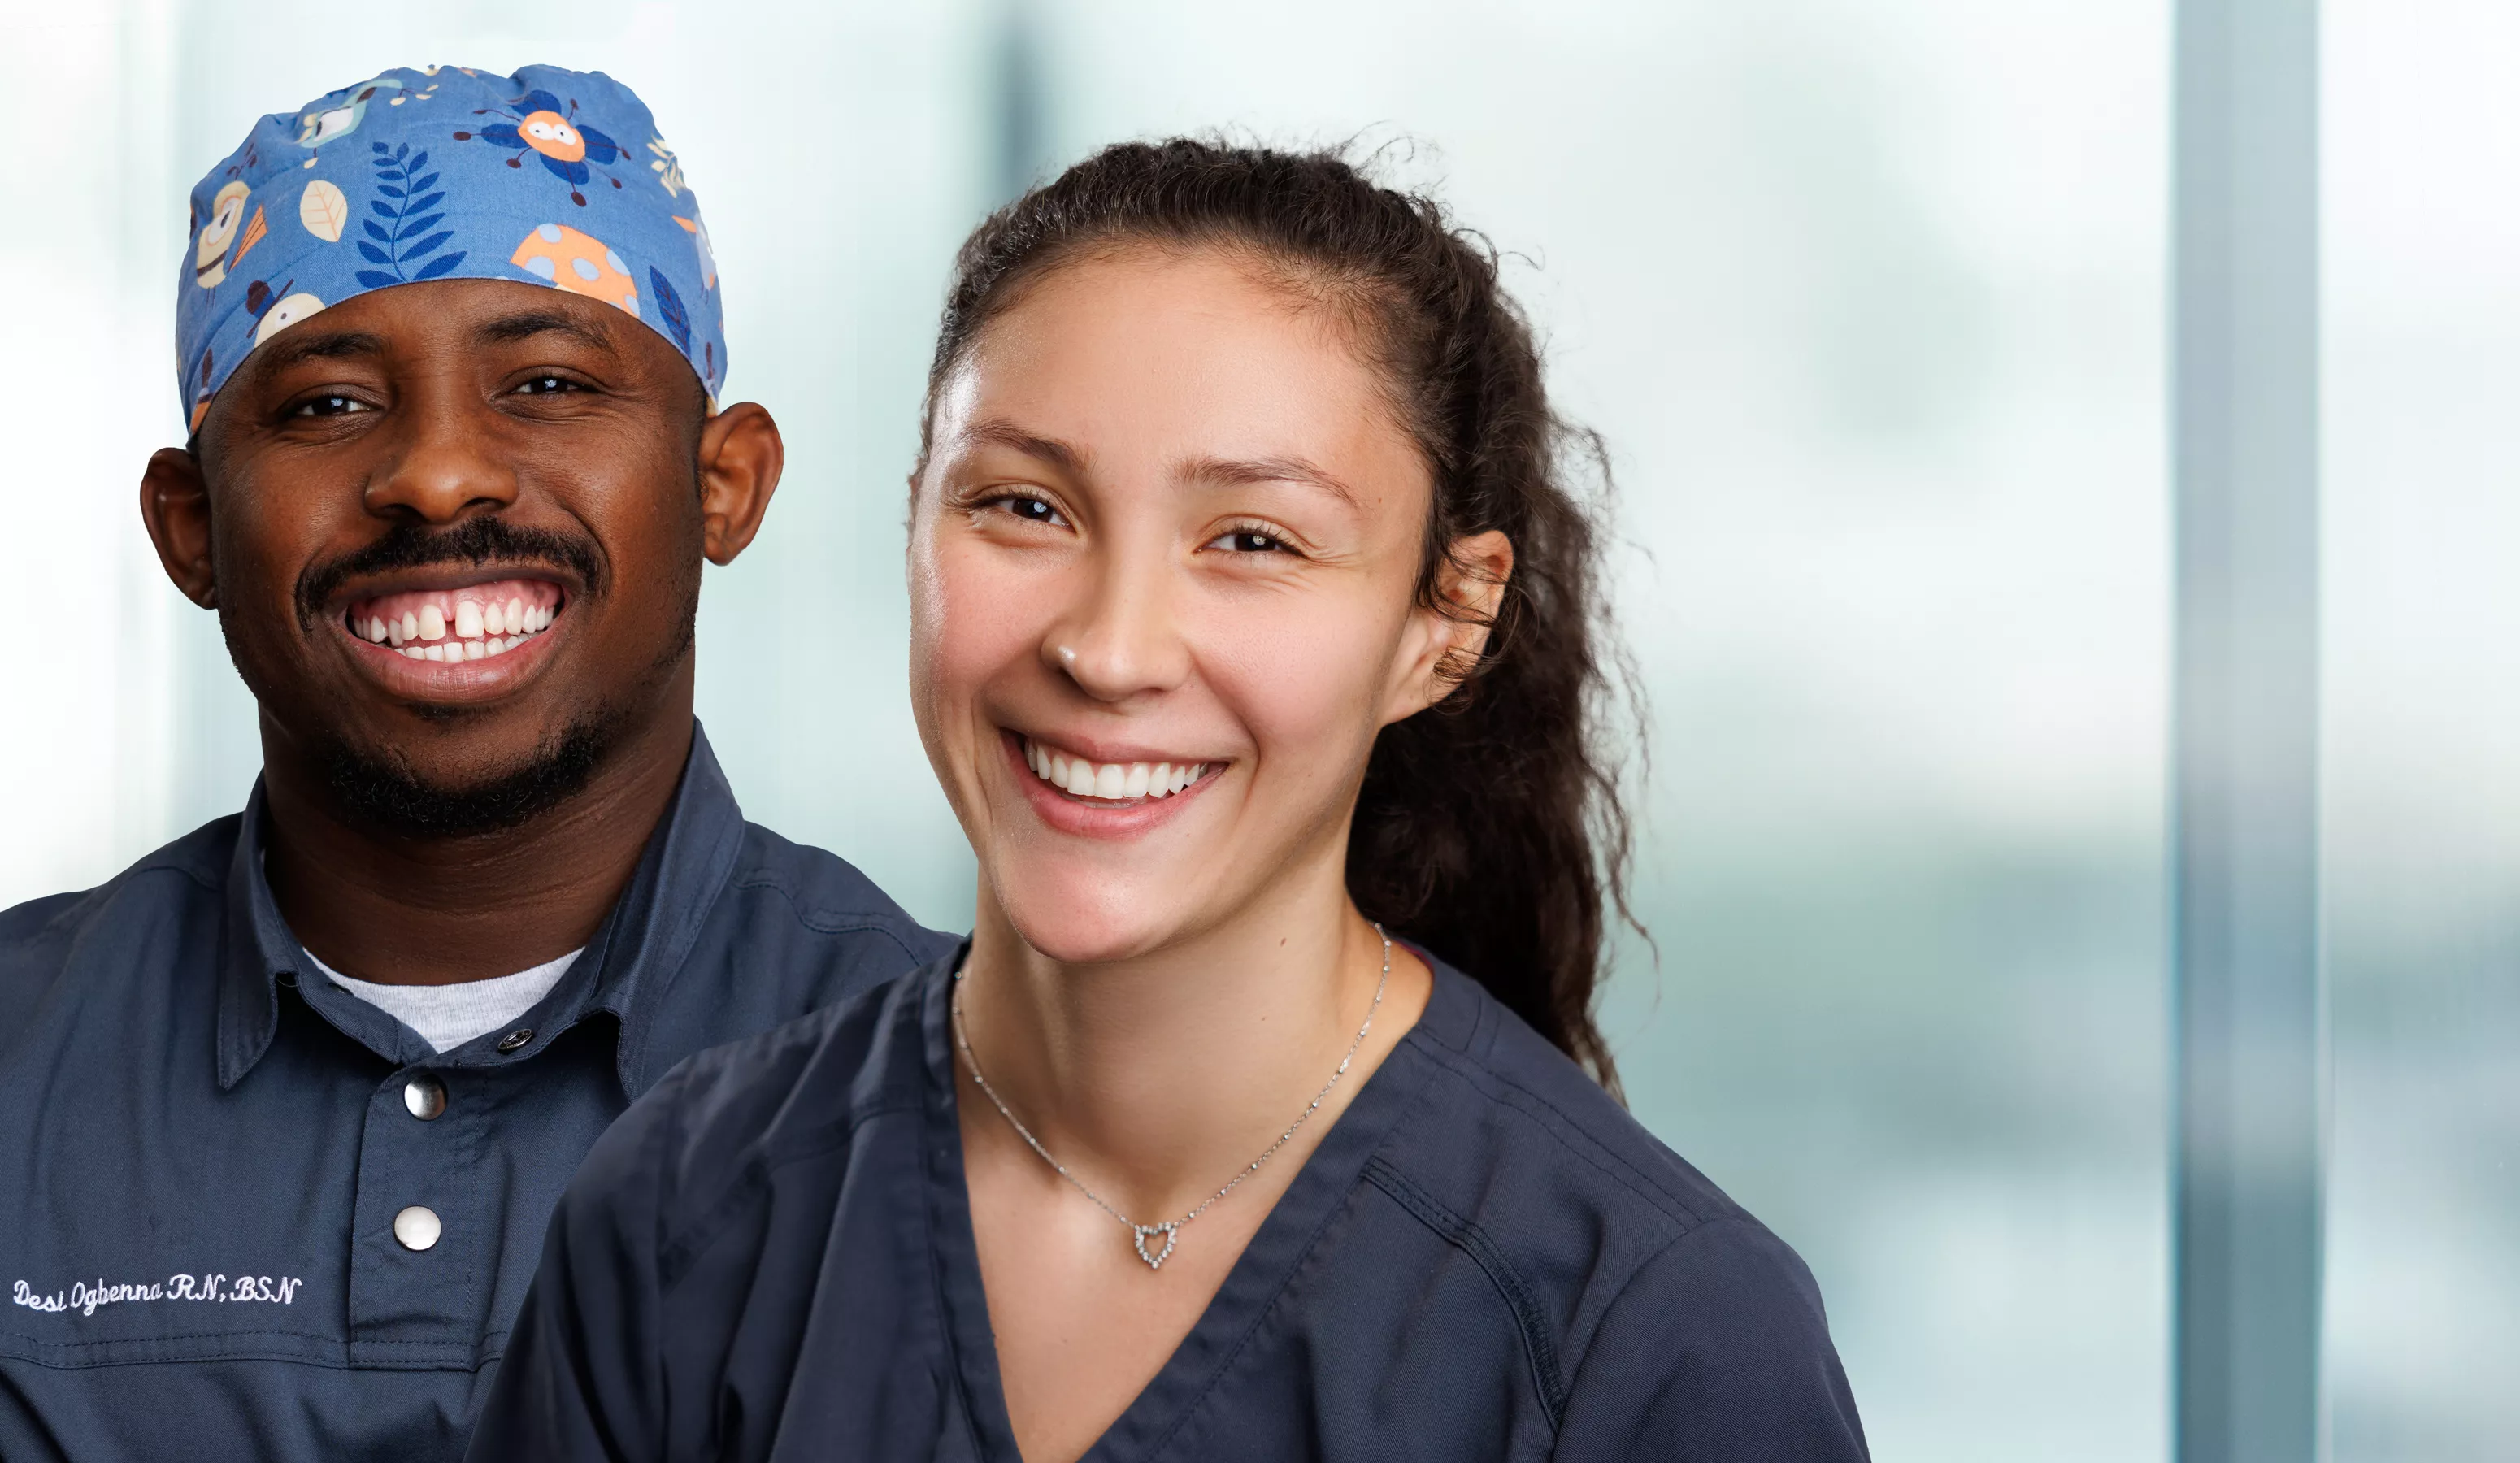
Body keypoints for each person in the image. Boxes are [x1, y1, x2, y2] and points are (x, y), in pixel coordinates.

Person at [471, 140, 1871, 1461]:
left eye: (1253, 540)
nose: (1109, 647)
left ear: (1445, 619)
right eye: (1023, 507)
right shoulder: (676, 1214)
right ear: (913, 519)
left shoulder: (1660, 1338)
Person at [0, 64, 949, 1462]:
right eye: (326, 406)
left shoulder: (970, 1090)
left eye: (551, 384)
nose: (440, 474)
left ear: (721, 484)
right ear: (192, 526)